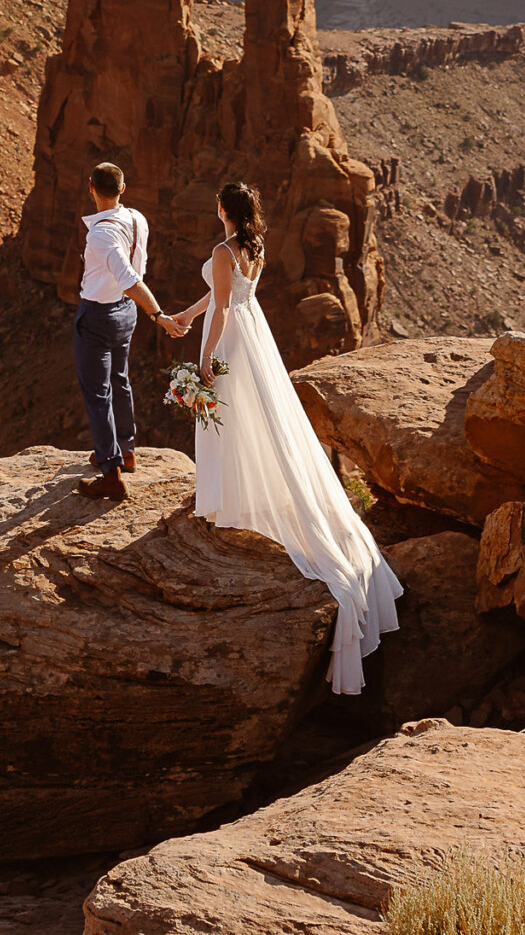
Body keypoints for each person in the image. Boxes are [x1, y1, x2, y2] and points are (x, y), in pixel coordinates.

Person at [163, 180, 403, 694]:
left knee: (229, 414)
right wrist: (186, 314)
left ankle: (227, 498)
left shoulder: (222, 249)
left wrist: (206, 359)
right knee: (254, 418)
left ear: (223, 208)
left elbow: (223, 307)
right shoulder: (253, 246)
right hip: (254, 335)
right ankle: (236, 493)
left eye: (217, 203)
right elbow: (224, 296)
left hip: (232, 338)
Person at [73, 162, 185, 501]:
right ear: (123, 188)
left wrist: (159, 315)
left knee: (98, 393)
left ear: (91, 187)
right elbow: (137, 271)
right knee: (119, 380)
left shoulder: (101, 234)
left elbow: (130, 279)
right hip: (125, 313)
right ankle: (126, 449)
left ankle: (111, 473)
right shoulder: (137, 218)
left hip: (99, 316)